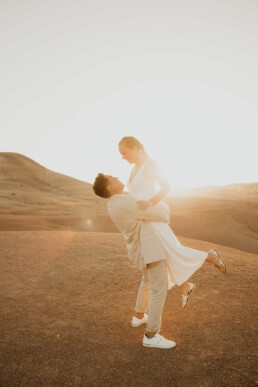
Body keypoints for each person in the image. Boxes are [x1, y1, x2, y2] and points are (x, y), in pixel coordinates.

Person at [92, 173, 226, 349]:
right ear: (109, 187)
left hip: (140, 248)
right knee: (159, 290)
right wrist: (158, 205)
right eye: (112, 177)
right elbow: (162, 215)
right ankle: (151, 335)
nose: (117, 177)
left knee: (147, 281)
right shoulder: (127, 202)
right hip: (150, 248)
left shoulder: (114, 204)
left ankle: (139, 316)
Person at [118, 136, 227, 308]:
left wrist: (151, 202)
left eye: (124, 153)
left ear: (136, 148)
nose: (123, 157)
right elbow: (136, 193)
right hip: (142, 220)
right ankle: (186, 286)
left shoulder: (150, 164)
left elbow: (166, 186)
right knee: (164, 255)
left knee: (172, 251)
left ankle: (210, 257)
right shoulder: (135, 168)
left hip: (152, 218)